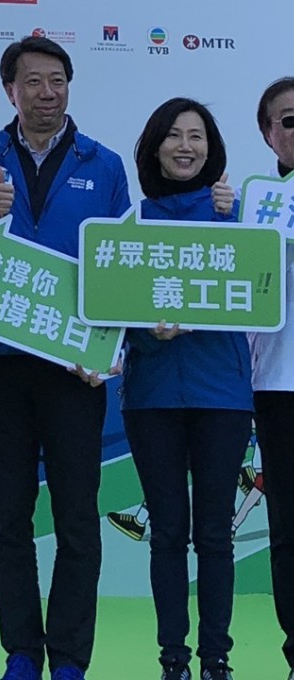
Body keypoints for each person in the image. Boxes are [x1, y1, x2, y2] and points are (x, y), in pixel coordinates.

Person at [0, 37, 130, 680]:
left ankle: (71, 658)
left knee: (78, 519)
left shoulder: (104, 165)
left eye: (57, 81)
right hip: (0, 363)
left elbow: (118, 271)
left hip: (74, 370)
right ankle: (22, 651)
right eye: (33, 81)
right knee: (8, 519)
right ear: (11, 90)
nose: (47, 93)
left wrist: (105, 350)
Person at [124, 97, 249, 680]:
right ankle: (172, 658)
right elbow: (112, 315)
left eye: (196, 136)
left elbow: (259, 294)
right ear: (154, 148)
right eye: (173, 135)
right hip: (152, 399)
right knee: (167, 534)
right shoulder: (130, 225)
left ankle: (216, 659)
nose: (185, 146)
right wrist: (148, 334)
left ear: (211, 148)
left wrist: (230, 220)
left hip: (222, 396)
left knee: (215, 535)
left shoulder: (237, 214)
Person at [251, 76, 294, 680]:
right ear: (268, 133)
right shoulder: (253, 206)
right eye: (288, 119)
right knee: (288, 532)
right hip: (279, 388)